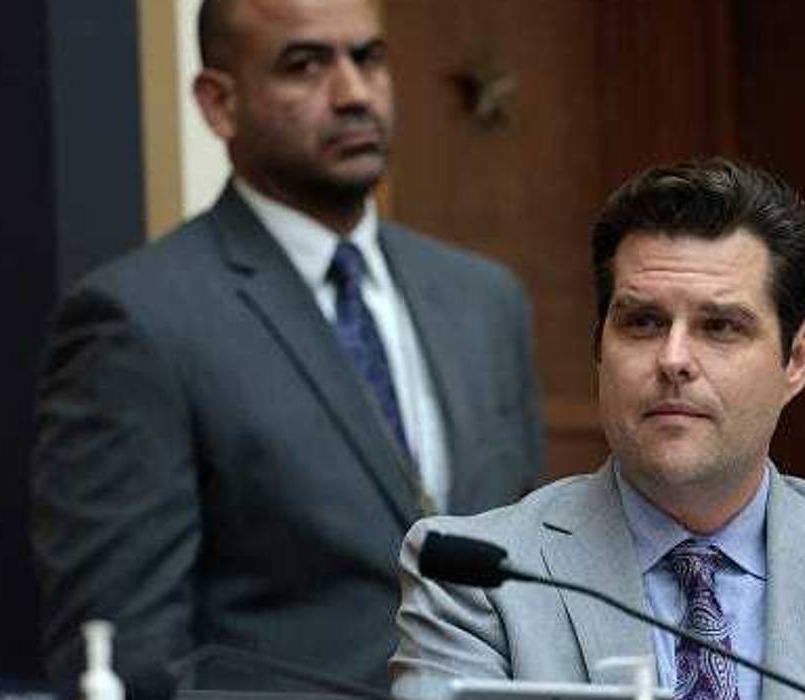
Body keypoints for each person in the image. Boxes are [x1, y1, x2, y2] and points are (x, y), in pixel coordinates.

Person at [30, 0, 543, 697]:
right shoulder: (139, 320)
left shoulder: (485, 300)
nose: (354, 93)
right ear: (218, 103)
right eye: (305, 65)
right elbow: (127, 654)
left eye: (368, 58)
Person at [390, 159, 805, 700]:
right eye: (643, 323)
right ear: (599, 347)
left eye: (720, 327)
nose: (673, 359)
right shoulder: (478, 583)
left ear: (796, 358)